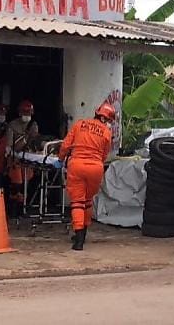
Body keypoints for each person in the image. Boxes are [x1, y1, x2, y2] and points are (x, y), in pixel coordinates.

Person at [59, 103, 115, 251]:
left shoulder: (79, 124)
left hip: (76, 166)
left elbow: (65, 145)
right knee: (88, 201)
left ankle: (78, 241)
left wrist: (60, 159)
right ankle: (83, 233)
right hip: (96, 168)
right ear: (105, 119)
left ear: (97, 114)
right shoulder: (106, 133)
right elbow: (104, 154)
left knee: (77, 202)